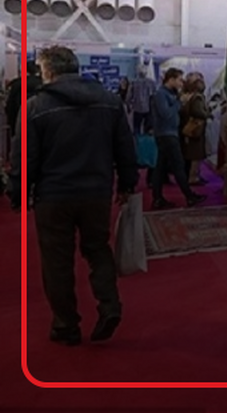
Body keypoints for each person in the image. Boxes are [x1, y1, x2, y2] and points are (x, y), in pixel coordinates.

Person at [25, 46, 138, 345]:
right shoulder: (110, 102)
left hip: (53, 196)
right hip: (96, 192)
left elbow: (27, 157)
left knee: (56, 262)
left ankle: (66, 325)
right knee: (98, 249)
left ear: (47, 71)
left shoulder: (35, 106)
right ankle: (110, 306)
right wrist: (127, 184)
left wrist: (19, 191)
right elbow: (125, 147)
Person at [150, 68, 203, 209]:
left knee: (160, 168)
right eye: (179, 79)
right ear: (171, 79)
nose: (181, 83)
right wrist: (179, 102)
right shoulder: (161, 94)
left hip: (169, 133)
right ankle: (189, 196)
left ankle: (157, 198)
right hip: (166, 135)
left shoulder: (170, 94)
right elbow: (166, 114)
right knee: (178, 165)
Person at [5, 63, 42, 211]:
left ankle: (21, 198)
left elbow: (10, 107)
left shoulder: (17, 84)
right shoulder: (45, 84)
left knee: (22, 161)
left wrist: (13, 126)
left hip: (20, 126)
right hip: (41, 128)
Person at [180, 76, 211, 185]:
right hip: (196, 129)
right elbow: (198, 112)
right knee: (196, 155)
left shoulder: (191, 96)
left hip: (192, 129)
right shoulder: (198, 98)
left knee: (194, 154)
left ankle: (193, 175)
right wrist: (208, 113)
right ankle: (193, 177)